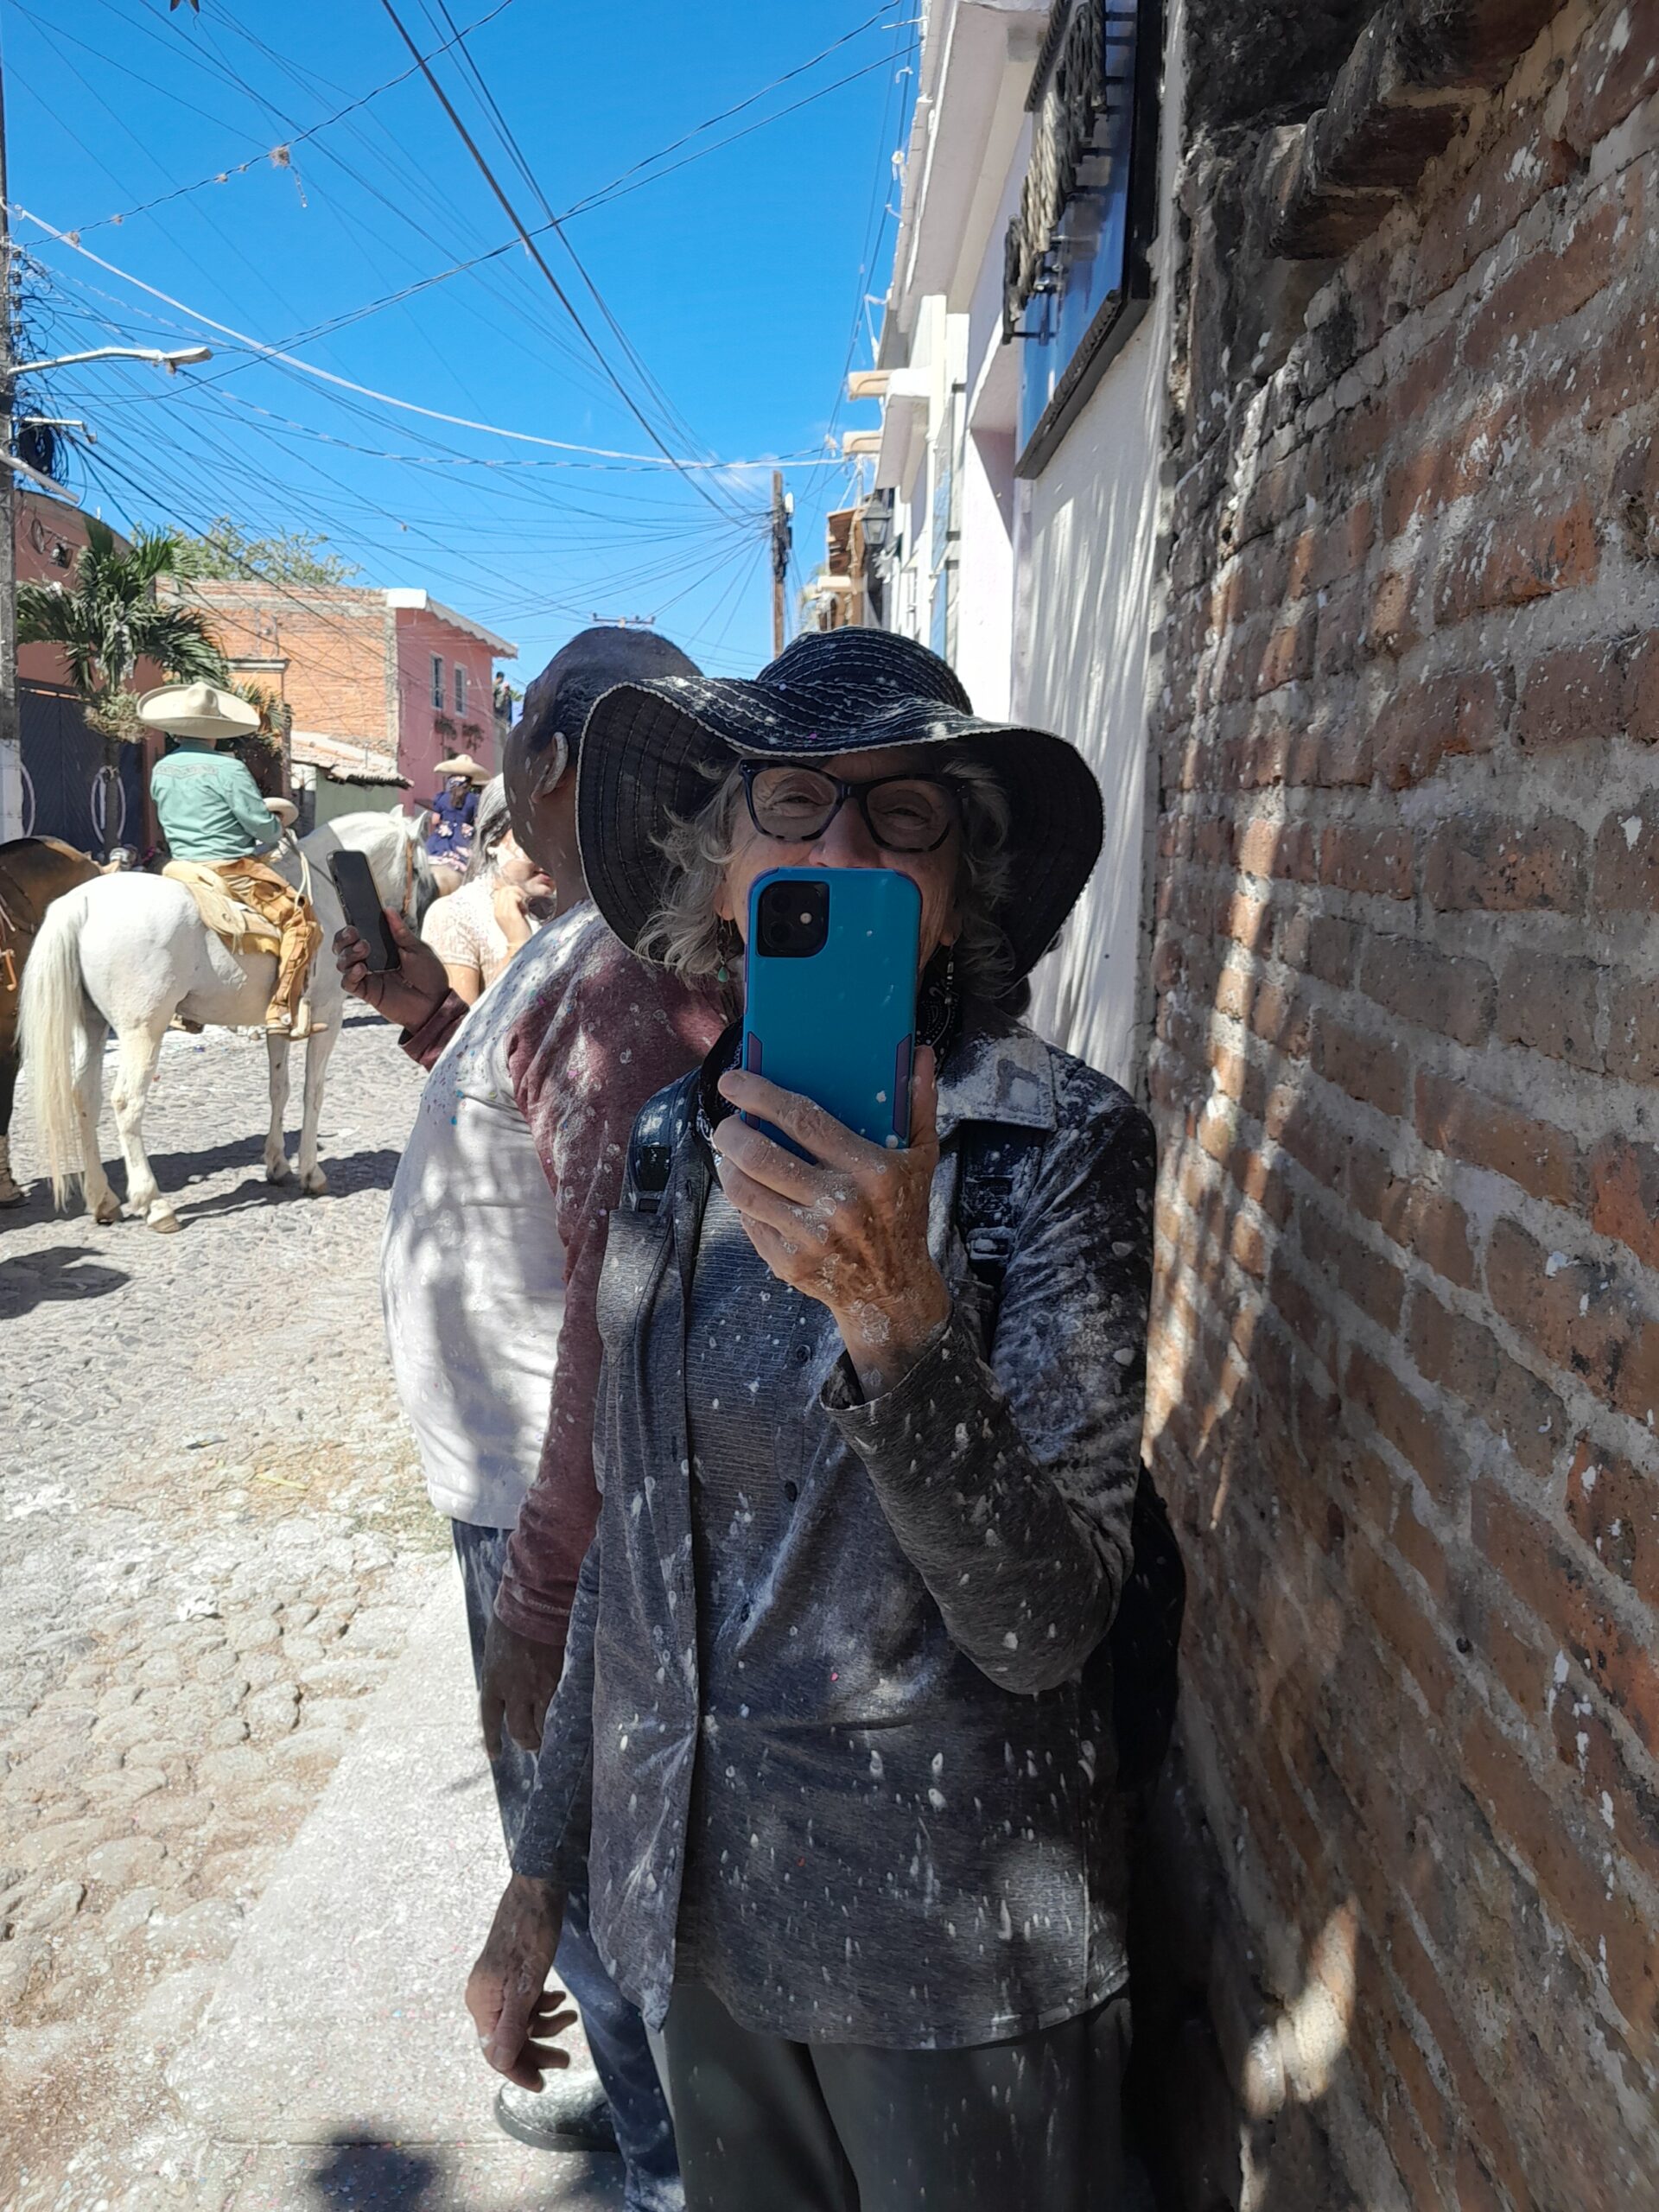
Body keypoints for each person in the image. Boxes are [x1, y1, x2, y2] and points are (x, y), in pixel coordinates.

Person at [464, 629, 1157, 2212]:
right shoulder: (668, 1146)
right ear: (719, 877)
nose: (840, 849)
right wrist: (539, 1874)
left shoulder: (1056, 1149)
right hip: (705, 1919)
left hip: (949, 1956)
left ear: (959, 894)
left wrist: (898, 1315)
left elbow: (1049, 1626)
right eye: (788, 804)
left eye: (903, 816)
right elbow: (641, 1554)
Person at [339, 627, 727, 2209]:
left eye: (510, 738)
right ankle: (638, 2114)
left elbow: (612, 1309)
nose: (496, 768)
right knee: (579, 1849)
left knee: (581, 1852)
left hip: (543, 1508)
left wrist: (545, 1595)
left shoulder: (613, 971)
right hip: (519, 1492)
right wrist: (428, 1015)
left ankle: (670, 2163)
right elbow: (539, 1138)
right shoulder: (585, 948)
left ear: (558, 757)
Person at [141, 682, 321, 1036]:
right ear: (216, 729)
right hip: (229, 868)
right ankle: (281, 1009)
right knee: (302, 920)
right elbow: (260, 826)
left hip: (180, 867)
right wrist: (276, 825)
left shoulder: (162, 768)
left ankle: (185, 1008)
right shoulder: (230, 770)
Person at [419, 775, 552, 1006]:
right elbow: (461, 1025)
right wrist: (517, 945)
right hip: (457, 842)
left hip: (443, 842)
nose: (552, 855)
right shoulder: (455, 916)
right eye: (533, 837)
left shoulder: (571, 910)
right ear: (493, 839)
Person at [424, 752, 486, 891]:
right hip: (463, 840)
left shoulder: (441, 797)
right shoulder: (474, 799)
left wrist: (445, 823)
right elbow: (478, 822)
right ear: (469, 782)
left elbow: (434, 821)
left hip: (440, 840)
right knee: (481, 871)